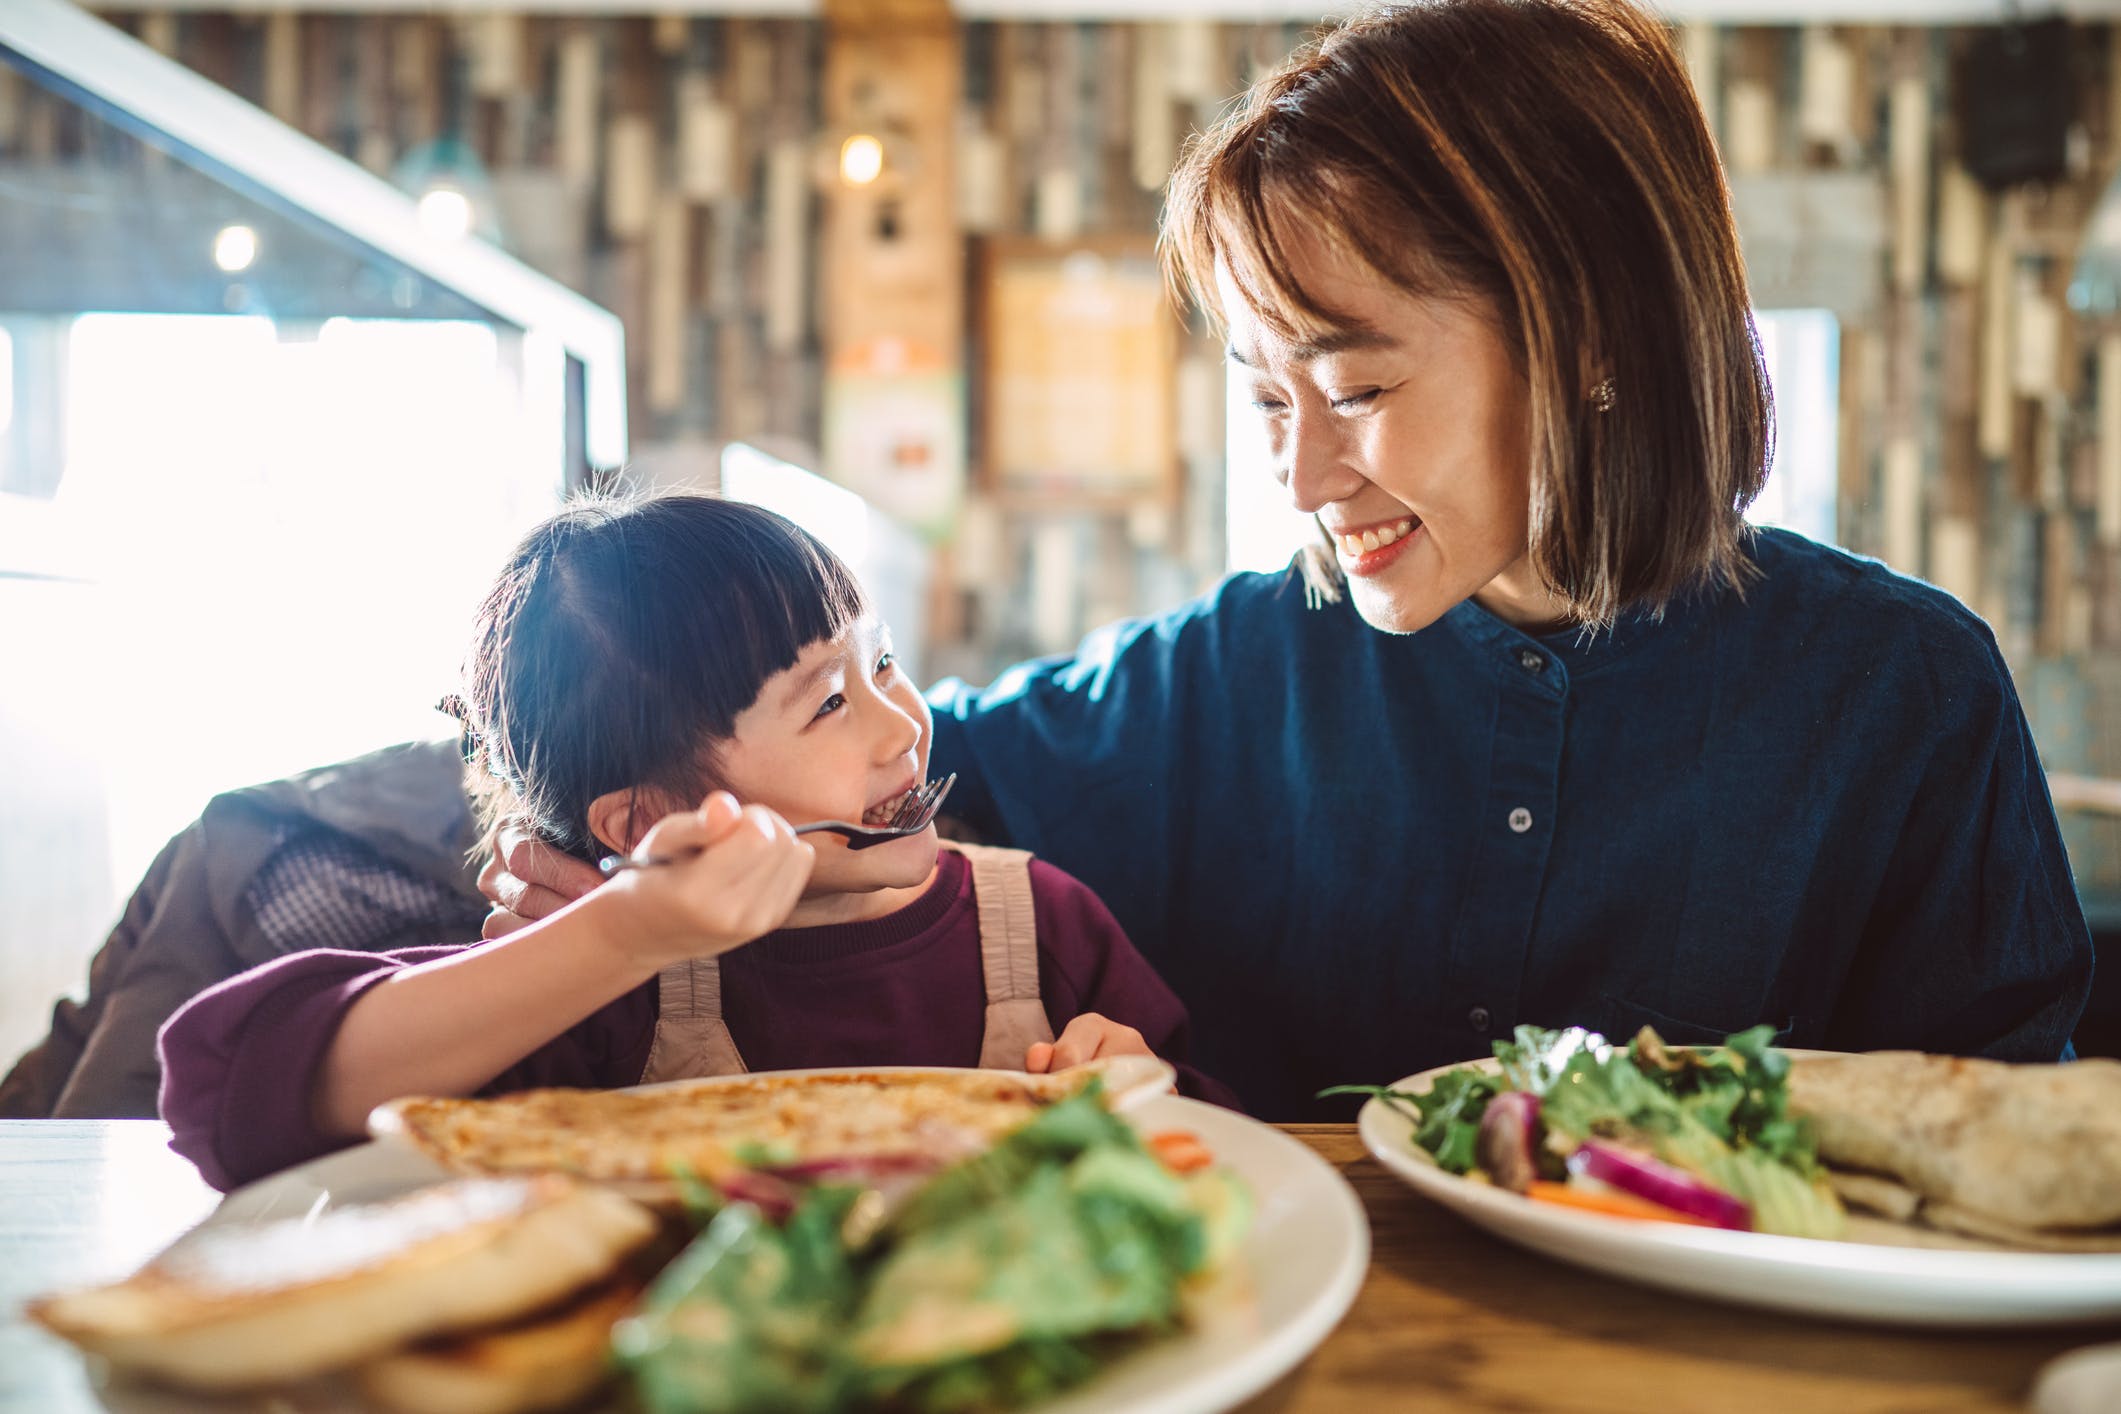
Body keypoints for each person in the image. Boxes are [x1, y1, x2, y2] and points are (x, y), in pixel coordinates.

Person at [493, 0, 2092, 1119]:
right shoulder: (1224, 674)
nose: (1302, 473)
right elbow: (883, 769)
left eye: (1356, 388)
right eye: (1268, 397)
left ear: (1593, 335)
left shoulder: (1898, 691)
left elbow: (1996, 1144)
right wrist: (578, 853)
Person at [158, 495, 1232, 1190]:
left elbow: (1225, 1148)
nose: (903, 724)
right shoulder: (610, 983)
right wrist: (623, 934)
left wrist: (1142, 1082)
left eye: (885, 663)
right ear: (640, 825)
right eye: (824, 705)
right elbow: (225, 1090)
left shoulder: (1039, 921)